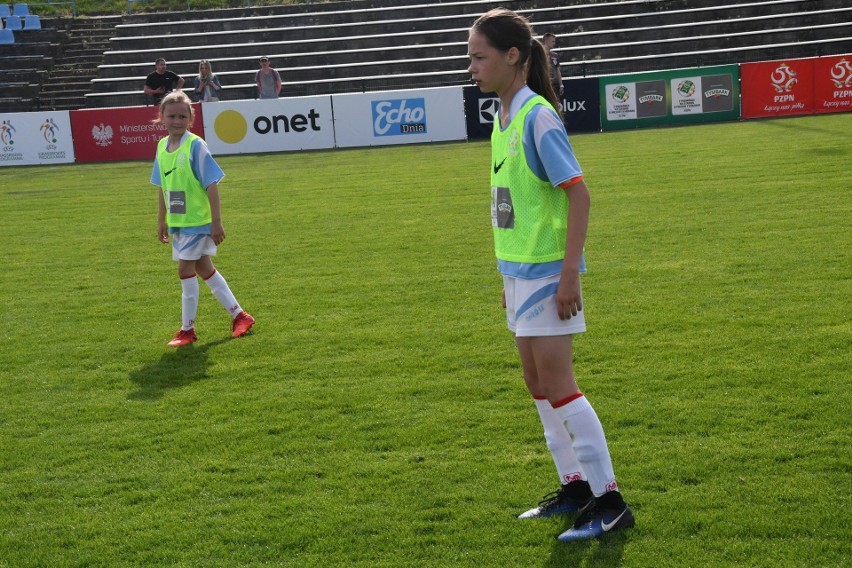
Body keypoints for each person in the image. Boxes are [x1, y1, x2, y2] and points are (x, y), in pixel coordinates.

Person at [468, 8, 633, 542]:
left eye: (479, 56)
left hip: (547, 275)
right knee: (537, 384)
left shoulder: (538, 116)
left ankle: (611, 501)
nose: (471, 66)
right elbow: (510, 204)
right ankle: (576, 486)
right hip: (520, 274)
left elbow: (579, 195)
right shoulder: (501, 114)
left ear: (512, 56)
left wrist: (569, 277)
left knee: (560, 386)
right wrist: (506, 277)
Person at [150, 90, 255, 347]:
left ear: (191, 118)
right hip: (180, 223)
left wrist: (216, 222)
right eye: (172, 115)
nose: (176, 120)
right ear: (162, 117)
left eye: (182, 116)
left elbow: (211, 184)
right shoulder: (162, 147)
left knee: (185, 270)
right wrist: (162, 220)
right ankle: (240, 316)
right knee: (204, 268)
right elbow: (162, 187)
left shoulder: (196, 145)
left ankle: (188, 330)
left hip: (197, 222)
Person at [542, 32, 564, 97]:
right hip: (544, 85)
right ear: (546, 41)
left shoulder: (555, 55)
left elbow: (558, 70)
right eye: (552, 41)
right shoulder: (539, 55)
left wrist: (561, 85)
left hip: (554, 85)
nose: (554, 43)